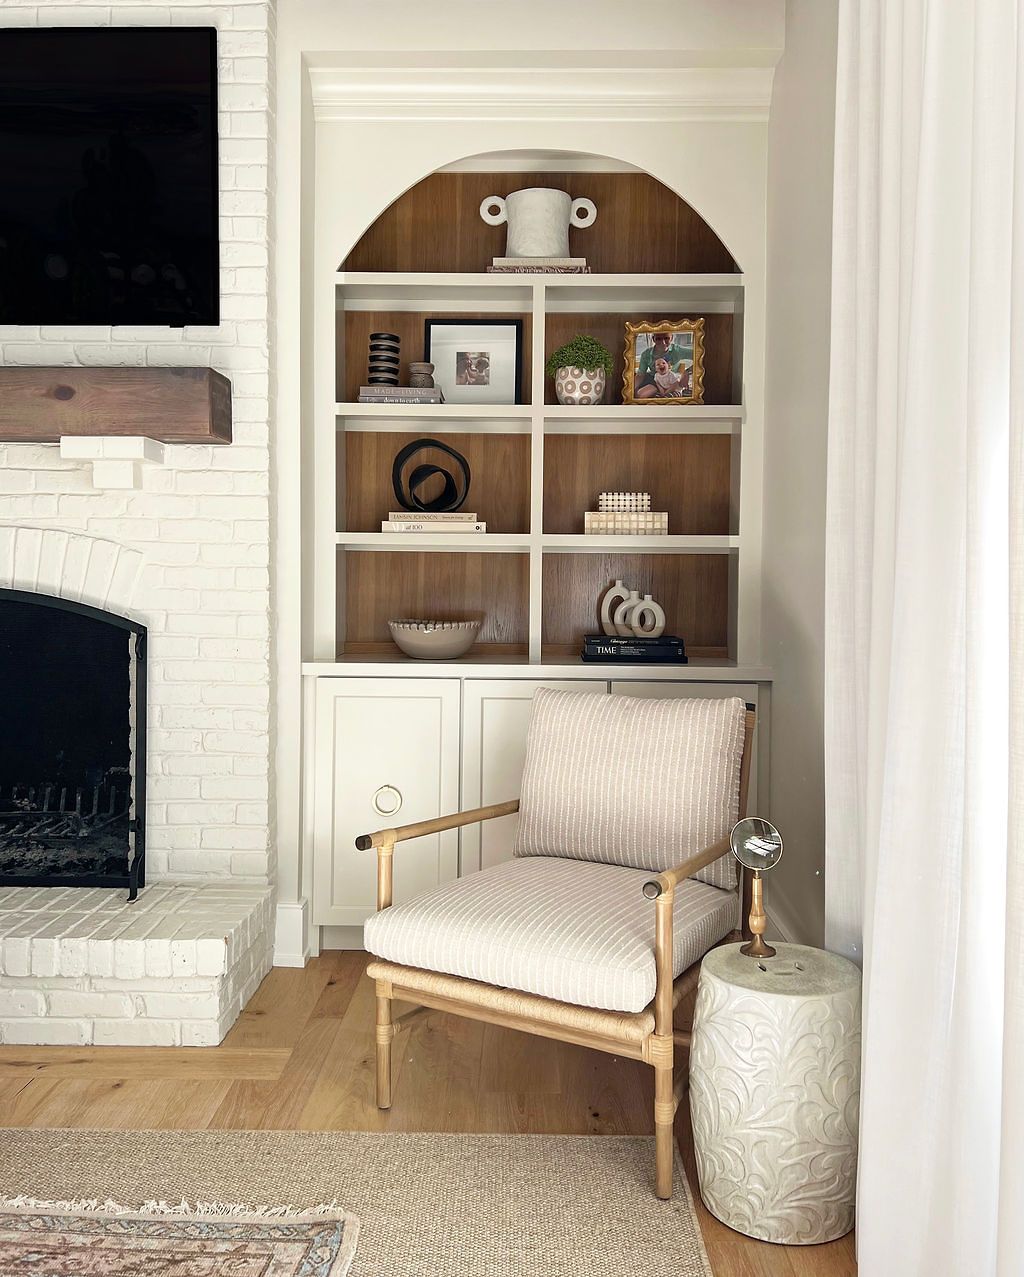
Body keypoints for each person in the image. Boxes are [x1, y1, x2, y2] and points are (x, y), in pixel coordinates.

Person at [635, 332, 691, 398]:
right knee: (639, 394)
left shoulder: (678, 351)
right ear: (653, 339)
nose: (663, 343)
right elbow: (640, 375)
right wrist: (631, 390)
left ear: (672, 338)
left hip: (671, 381)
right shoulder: (646, 354)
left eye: (666, 338)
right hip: (655, 380)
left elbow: (699, 355)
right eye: (658, 339)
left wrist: (687, 372)